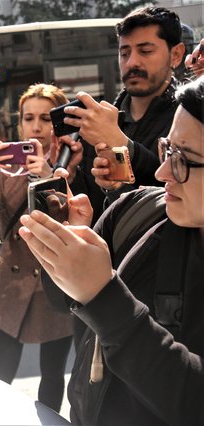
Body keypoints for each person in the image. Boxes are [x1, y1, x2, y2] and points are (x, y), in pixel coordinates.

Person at [19, 76, 204, 425]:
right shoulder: (133, 212)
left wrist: (105, 296)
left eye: (185, 159)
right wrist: (63, 246)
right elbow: (63, 302)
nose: (163, 172)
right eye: (167, 150)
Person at [0, 83, 82, 412]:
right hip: (12, 284)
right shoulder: (8, 172)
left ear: (59, 124)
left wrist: (49, 176)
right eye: (28, 118)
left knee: (52, 375)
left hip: (56, 285)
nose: (36, 126)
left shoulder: (76, 168)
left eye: (46, 118)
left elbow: (75, 224)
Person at [63, 6, 185, 205]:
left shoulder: (190, 116)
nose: (132, 62)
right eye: (124, 53)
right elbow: (91, 209)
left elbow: (180, 189)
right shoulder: (101, 122)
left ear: (176, 55)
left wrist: (121, 144)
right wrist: (72, 175)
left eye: (145, 51)